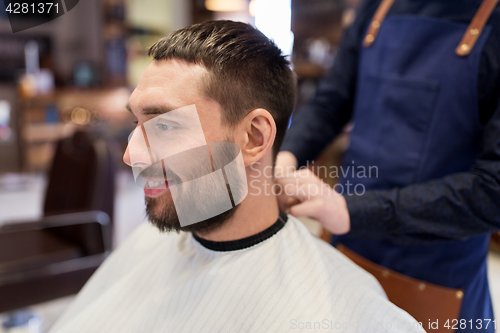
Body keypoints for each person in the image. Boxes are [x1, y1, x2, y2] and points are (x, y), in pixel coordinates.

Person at [48, 21, 424, 333]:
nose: (131, 154)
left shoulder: (347, 314)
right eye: (137, 123)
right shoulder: (150, 242)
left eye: (165, 126)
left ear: (254, 138)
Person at [276, 0, 500, 331]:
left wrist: (351, 210)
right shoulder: (377, 8)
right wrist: (287, 156)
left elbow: (492, 192)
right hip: (347, 246)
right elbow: (331, 102)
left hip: (436, 273)